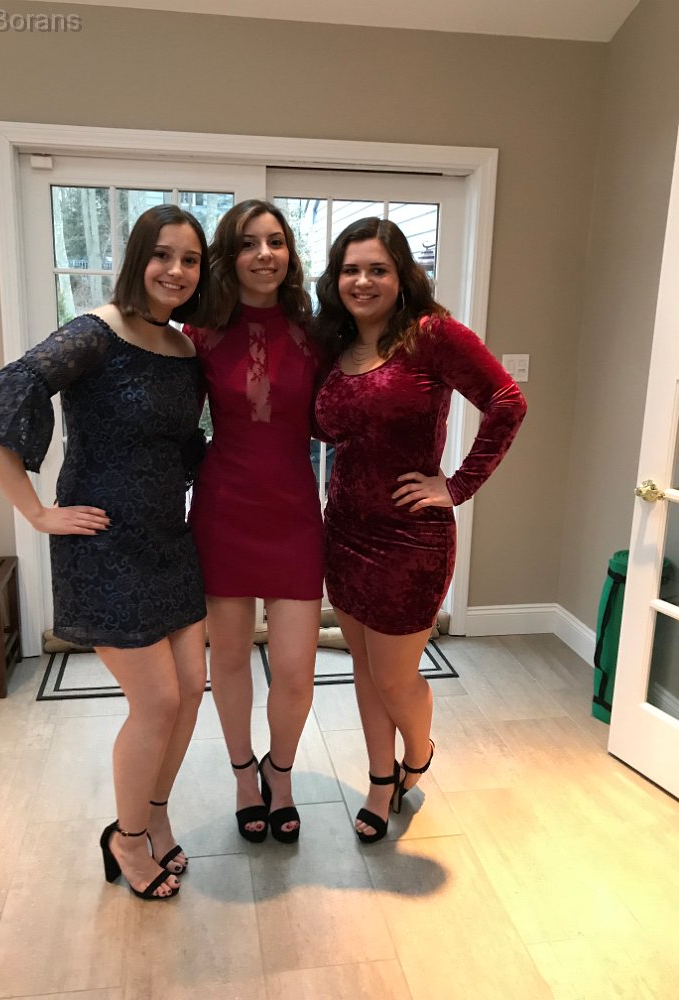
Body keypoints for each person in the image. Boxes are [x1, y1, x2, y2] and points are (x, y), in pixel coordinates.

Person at [0, 205, 211, 899]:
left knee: (191, 691)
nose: (176, 270)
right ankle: (125, 839)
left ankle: (153, 815)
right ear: (138, 258)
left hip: (169, 539)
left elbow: (182, 446)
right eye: (163, 255)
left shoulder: (185, 349)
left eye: (190, 260)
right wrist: (37, 511)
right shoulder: (94, 333)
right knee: (156, 702)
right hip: (103, 546)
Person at [313, 217, 527, 843]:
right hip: (343, 531)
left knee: (395, 676)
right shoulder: (336, 346)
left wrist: (456, 486)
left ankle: (419, 748)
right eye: (351, 269)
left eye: (377, 269)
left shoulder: (431, 335)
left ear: (402, 275)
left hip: (410, 541)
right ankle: (381, 780)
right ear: (336, 279)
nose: (363, 281)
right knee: (362, 667)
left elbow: (508, 402)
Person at [183, 199, 323, 844]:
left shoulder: (316, 332)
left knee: (295, 668)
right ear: (229, 256)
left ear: (289, 252)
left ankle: (280, 771)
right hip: (225, 508)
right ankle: (245, 775)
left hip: (295, 512)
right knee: (231, 659)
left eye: (275, 241)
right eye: (248, 243)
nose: (264, 254)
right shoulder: (200, 333)